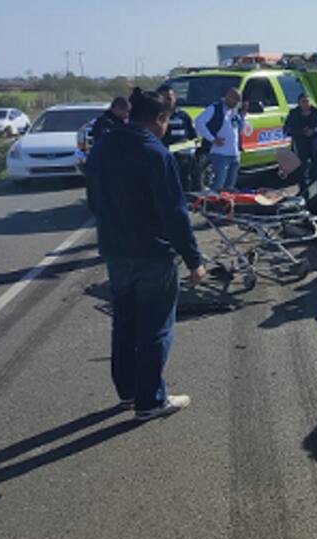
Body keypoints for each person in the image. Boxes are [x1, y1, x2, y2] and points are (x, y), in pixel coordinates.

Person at [86, 87, 206, 421]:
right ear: (158, 119)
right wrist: (194, 260)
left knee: (124, 322)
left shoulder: (103, 146)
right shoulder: (156, 153)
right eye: (166, 121)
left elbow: (93, 199)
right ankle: (150, 400)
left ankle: (127, 392)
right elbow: (174, 213)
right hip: (153, 252)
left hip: (115, 250)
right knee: (155, 326)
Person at [194, 86, 244, 192]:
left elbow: (238, 129)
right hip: (220, 154)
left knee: (230, 187)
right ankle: (213, 206)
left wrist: (243, 115)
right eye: (234, 98)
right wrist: (212, 139)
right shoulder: (214, 108)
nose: (236, 102)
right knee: (218, 186)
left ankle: (227, 207)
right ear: (227, 97)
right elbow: (199, 122)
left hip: (234, 154)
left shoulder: (236, 112)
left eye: (238, 100)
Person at [283, 93, 317, 196]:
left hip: (315, 146)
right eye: (303, 101)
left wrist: (314, 130)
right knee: (301, 171)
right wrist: (300, 132)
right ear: (299, 103)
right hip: (301, 146)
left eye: (307, 101)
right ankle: (304, 193)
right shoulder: (293, 113)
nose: (306, 104)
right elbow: (286, 130)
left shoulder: (316, 112)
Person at [157, 86, 198, 191]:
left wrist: (186, 146)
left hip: (183, 163)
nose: (167, 101)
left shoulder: (183, 116)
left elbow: (194, 138)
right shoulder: (153, 117)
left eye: (169, 98)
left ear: (175, 98)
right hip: (162, 162)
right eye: (163, 98)